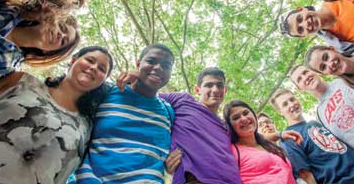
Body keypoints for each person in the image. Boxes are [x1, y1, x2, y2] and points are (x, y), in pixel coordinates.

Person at [117, 67, 301, 184]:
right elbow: (148, 97)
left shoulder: (226, 126)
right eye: (209, 85)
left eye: (219, 85)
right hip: (195, 179)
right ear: (198, 89)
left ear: (225, 90)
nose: (215, 90)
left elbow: (249, 139)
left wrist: (279, 135)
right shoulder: (182, 100)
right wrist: (139, 77)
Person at [0, 46, 114, 184]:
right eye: (90, 60)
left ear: (103, 81)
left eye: (102, 69)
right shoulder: (21, 80)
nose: (94, 68)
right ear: (73, 60)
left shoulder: (88, 127)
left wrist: (135, 77)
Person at [70, 43, 175, 184]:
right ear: (138, 64)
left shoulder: (169, 111)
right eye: (151, 61)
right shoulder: (106, 92)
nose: (158, 68)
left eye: (166, 65)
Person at [270, 86, 354, 183]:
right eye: (285, 104)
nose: (291, 104)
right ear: (280, 112)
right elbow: (305, 175)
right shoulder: (288, 138)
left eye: (292, 99)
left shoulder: (316, 123)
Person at [0, 2, 80, 89]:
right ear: (50, 19)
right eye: (62, 27)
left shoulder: (6, 70)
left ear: (48, 51)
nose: (61, 35)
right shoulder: (8, 10)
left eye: (63, 41)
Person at [223, 100, 297, 184]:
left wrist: (279, 134)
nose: (243, 118)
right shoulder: (231, 151)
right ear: (230, 125)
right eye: (236, 118)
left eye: (246, 113)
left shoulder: (269, 146)